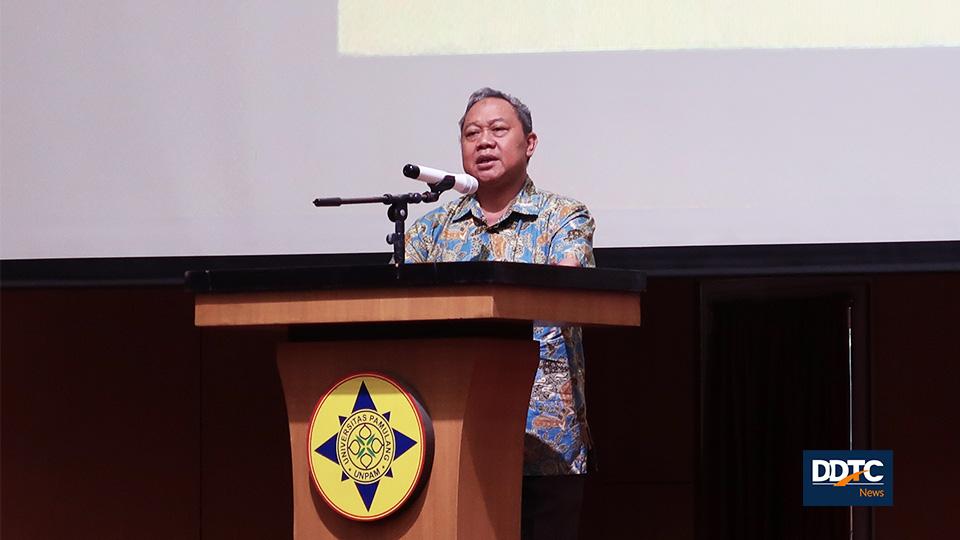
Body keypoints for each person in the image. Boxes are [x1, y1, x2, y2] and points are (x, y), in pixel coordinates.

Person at [405, 87, 595, 539]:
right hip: (447, 437)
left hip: (543, 445)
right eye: (472, 133)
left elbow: (567, 288)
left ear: (529, 144)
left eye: (497, 130)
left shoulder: (563, 218)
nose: (484, 142)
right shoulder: (430, 230)